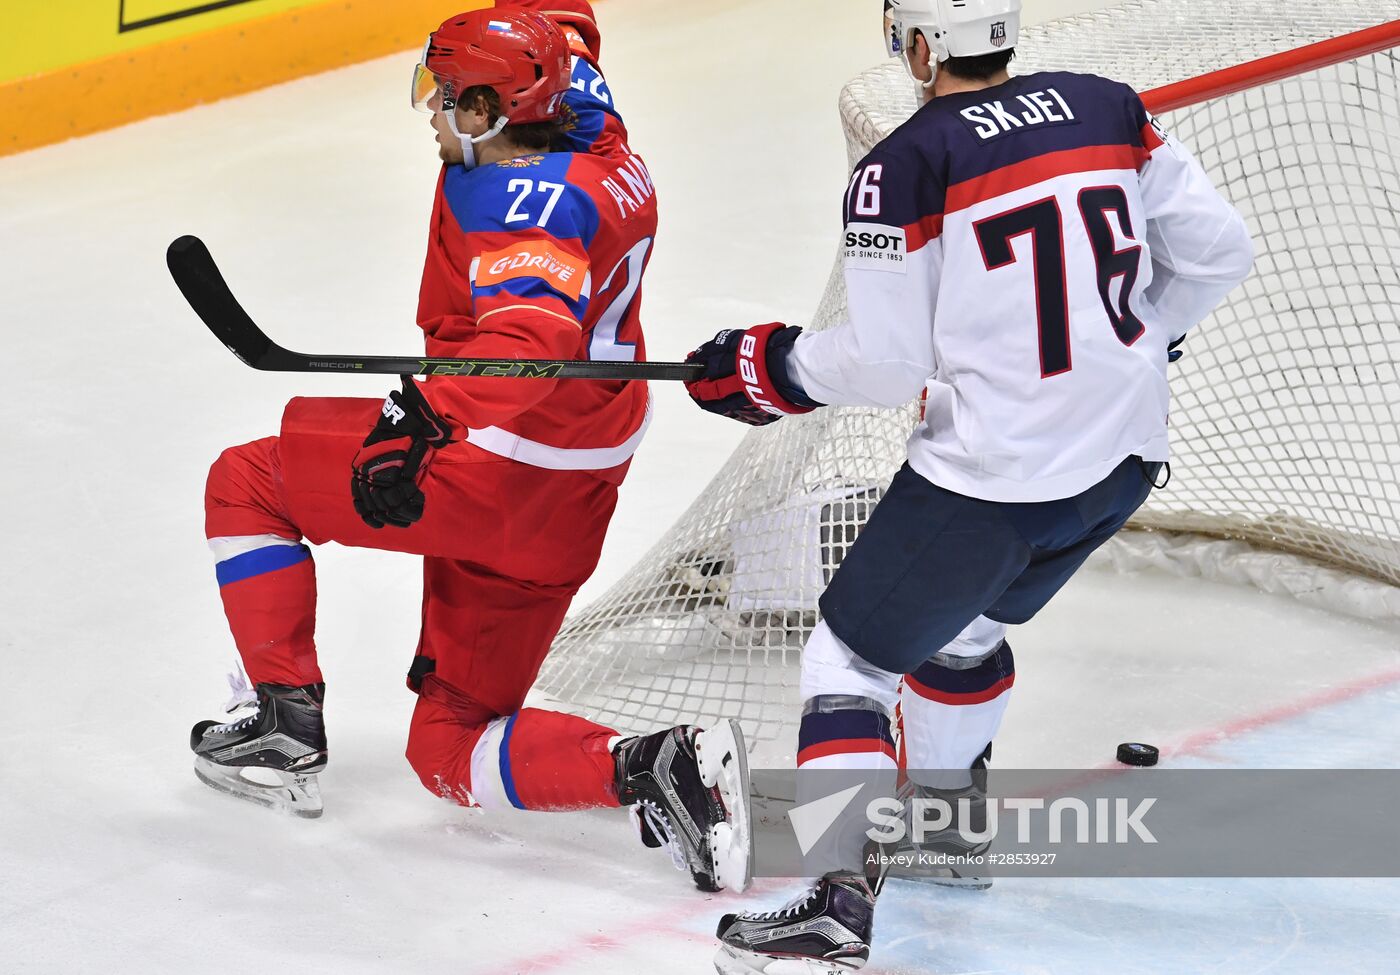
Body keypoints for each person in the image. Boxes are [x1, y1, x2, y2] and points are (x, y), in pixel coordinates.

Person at [684, 0, 1254, 968]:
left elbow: (883, 364)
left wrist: (764, 366)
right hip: (1119, 464)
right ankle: (946, 836)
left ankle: (832, 901)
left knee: (846, 662)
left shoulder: (901, 166)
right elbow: (1218, 252)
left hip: (995, 480)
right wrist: (1142, 340)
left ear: (916, 45)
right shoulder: (1107, 108)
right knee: (967, 623)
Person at [188, 5, 751, 895]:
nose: (434, 113)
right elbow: (566, 34)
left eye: (447, 97)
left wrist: (421, 427)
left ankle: (281, 719)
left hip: (488, 458)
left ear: (492, 109)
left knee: (248, 483)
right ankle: (653, 765)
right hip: (577, 481)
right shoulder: (589, 115)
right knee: (449, 744)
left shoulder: (519, 200)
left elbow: (528, 340)